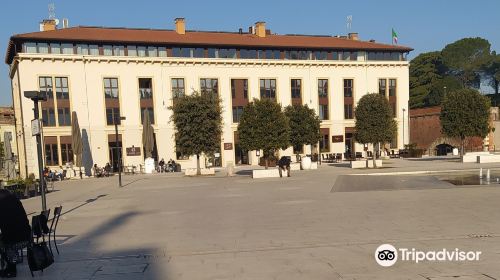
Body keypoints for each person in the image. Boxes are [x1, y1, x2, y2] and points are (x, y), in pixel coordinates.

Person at [0, 189, 31, 278]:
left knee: (3, 243)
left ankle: (11, 268)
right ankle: (10, 264)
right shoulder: (17, 202)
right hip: (26, 235)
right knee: (5, 239)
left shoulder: (3, 207)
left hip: (16, 239)